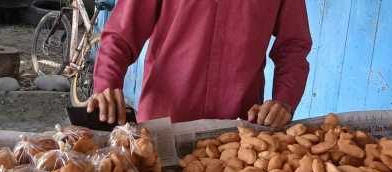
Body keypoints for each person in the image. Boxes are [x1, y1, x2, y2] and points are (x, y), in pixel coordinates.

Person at [87, 0, 312, 128]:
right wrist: (107, 84)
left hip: (239, 135)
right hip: (164, 124)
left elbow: (293, 47)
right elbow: (122, 34)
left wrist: (284, 101)